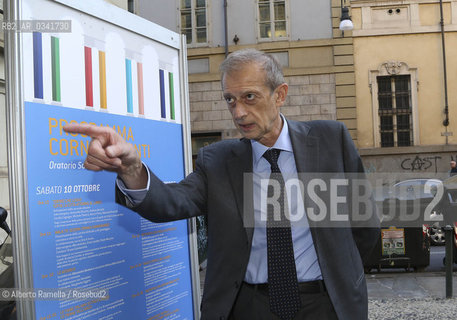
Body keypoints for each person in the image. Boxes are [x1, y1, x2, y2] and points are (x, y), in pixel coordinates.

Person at [64, 48, 380, 320]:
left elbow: (363, 229)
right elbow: (171, 202)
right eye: (230, 99)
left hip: (324, 306)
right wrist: (132, 168)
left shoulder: (329, 140)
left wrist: (344, 278)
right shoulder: (217, 159)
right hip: (246, 307)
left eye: (249, 97)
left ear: (279, 94)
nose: (239, 112)